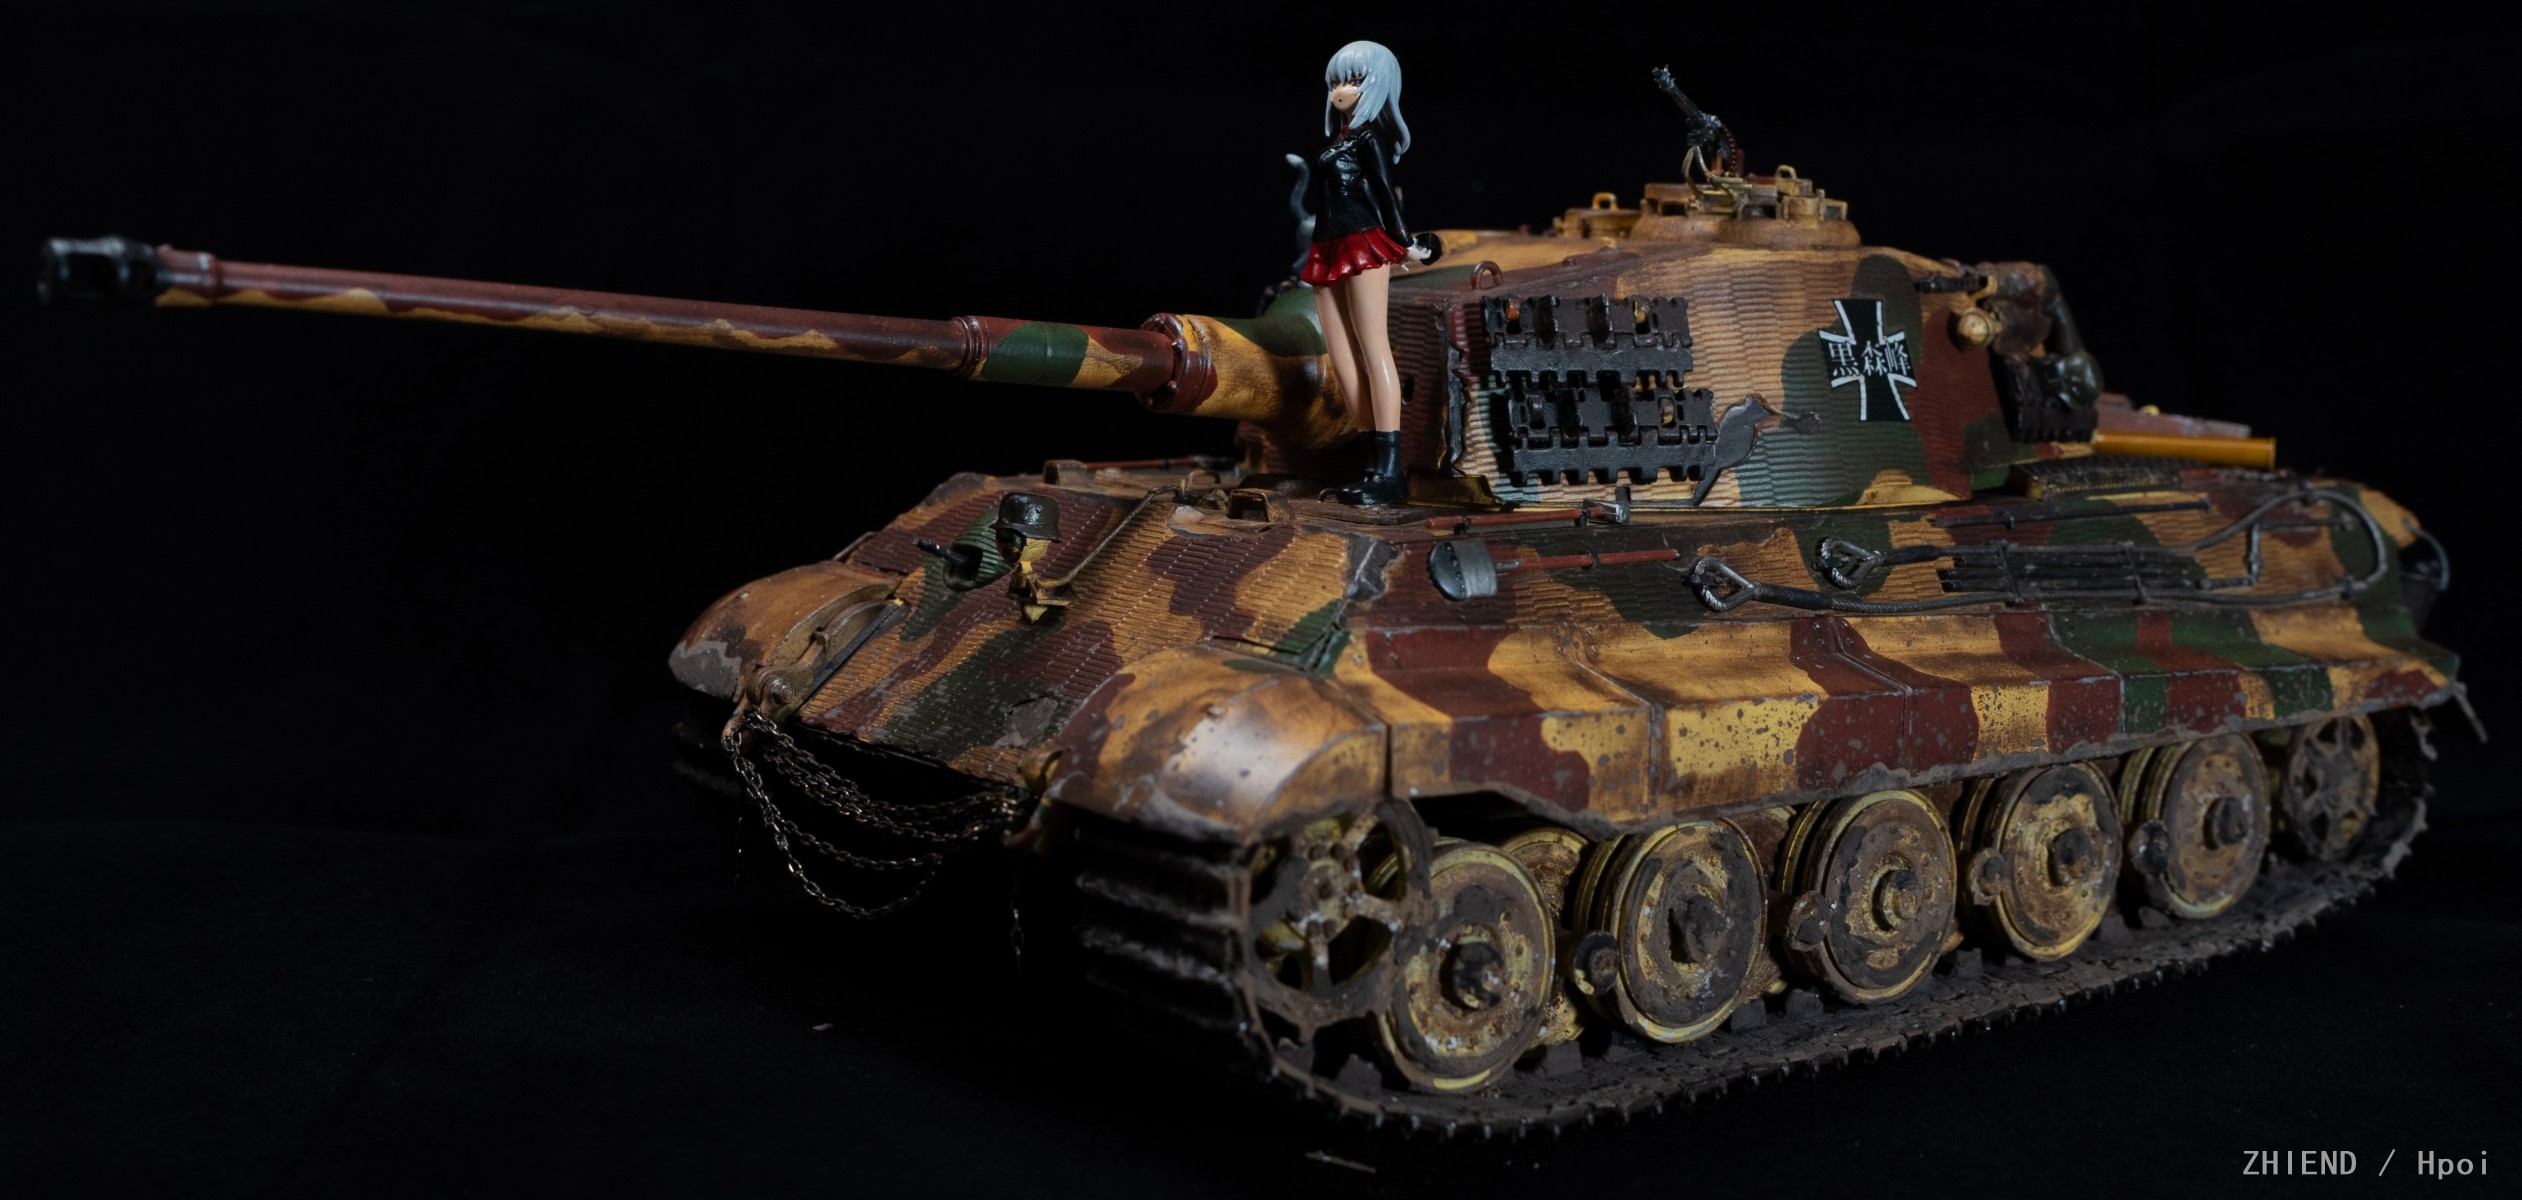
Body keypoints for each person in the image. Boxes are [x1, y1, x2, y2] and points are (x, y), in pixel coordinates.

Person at [1305, 40, 1434, 506]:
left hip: (1363, 242)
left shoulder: (1368, 140)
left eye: (1355, 80)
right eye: (1336, 81)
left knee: (1373, 348)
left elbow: (1384, 194)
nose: (1341, 90)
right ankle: (1371, 467)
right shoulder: (1339, 140)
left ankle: (1389, 472)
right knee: (1342, 358)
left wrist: (1406, 242)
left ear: (1377, 84)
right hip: (1327, 245)